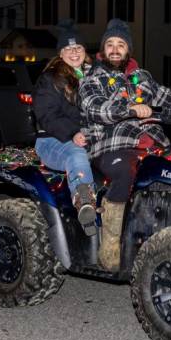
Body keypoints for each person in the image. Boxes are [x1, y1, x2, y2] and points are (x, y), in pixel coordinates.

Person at [79, 18, 171, 271]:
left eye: (120, 44)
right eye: (109, 44)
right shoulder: (93, 78)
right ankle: (110, 246)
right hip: (112, 144)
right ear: (103, 49)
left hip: (153, 146)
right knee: (125, 170)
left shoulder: (142, 77)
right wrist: (130, 108)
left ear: (128, 50)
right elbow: (95, 108)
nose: (114, 49)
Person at [32, 20, 97, 235]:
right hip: (53, 140)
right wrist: (72, 133)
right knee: (76, 154)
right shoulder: (49, 79)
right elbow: (46, 115)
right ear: (61, 53)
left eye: (78, 47)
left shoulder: (96, 76)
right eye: (68, 48)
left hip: (91, 139)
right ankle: (85, 203)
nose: (74, 52)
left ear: (85, 50)